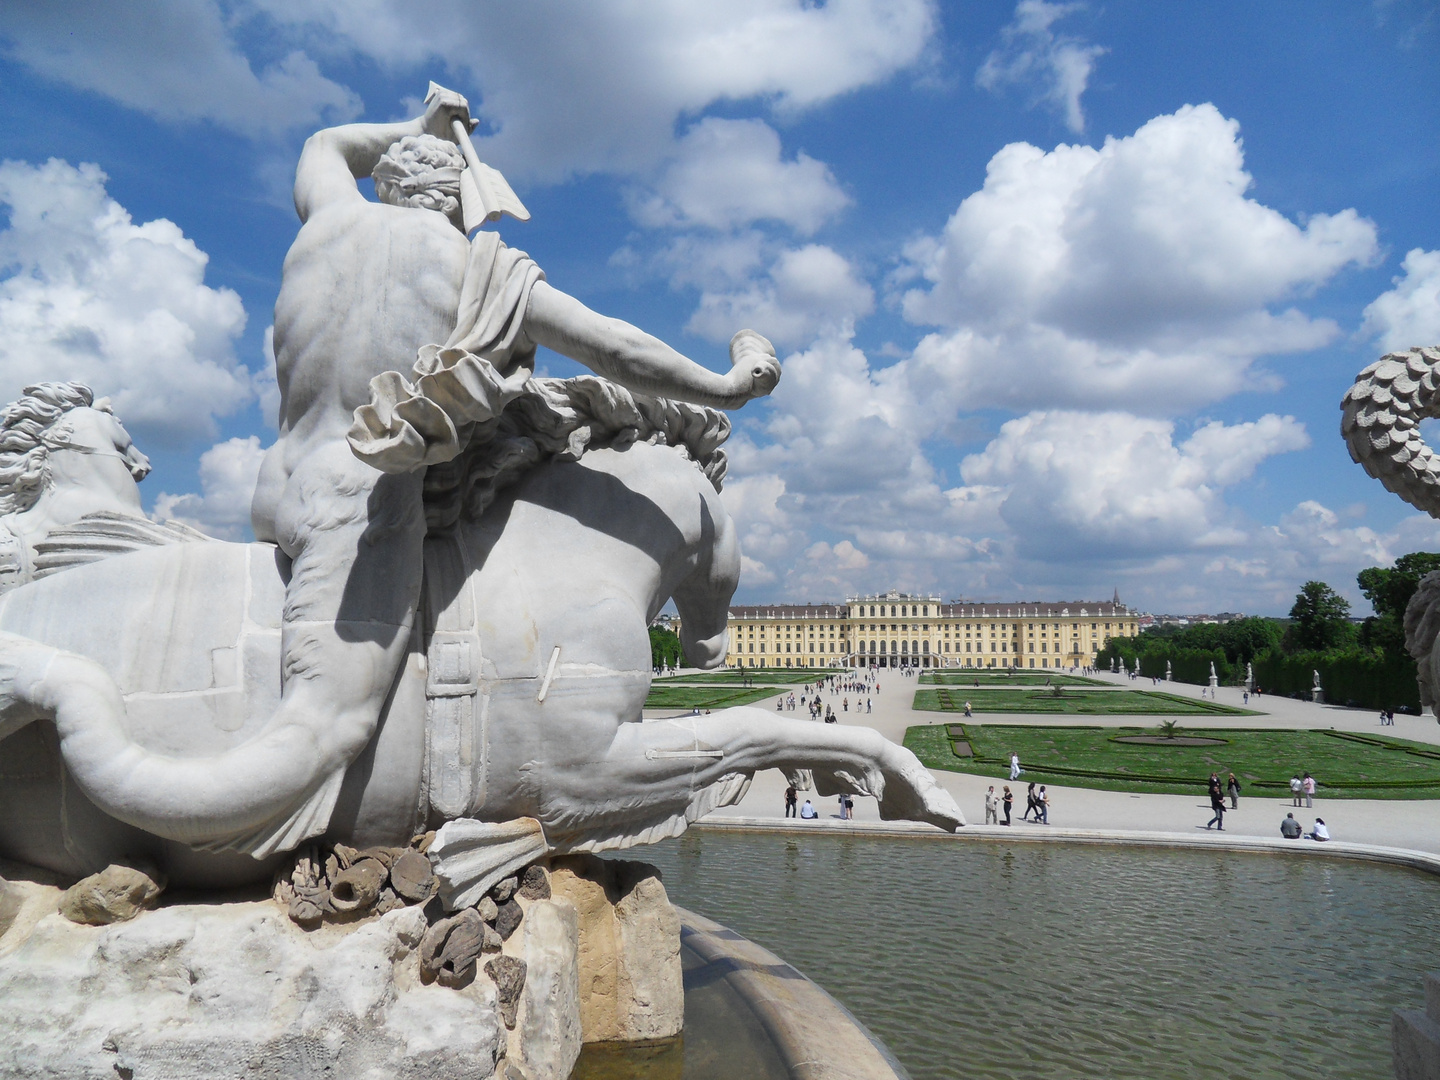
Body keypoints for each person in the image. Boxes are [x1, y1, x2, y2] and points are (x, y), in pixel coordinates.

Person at [243, 84, 781, 854]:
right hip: (371, 503)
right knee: (334, 724)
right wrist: (725, 388)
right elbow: (617, 352)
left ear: (387, 182)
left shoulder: (327, 221)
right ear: (456, 200)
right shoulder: (474, 265)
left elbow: (324, 146)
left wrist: (416, 125)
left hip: (279, 489)